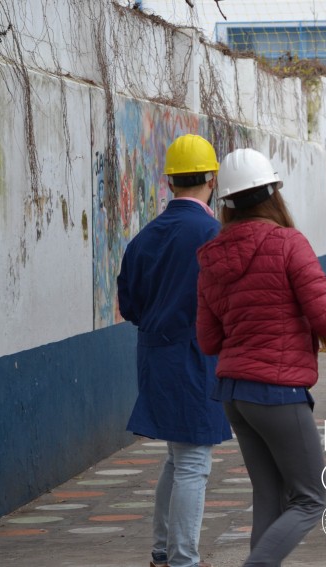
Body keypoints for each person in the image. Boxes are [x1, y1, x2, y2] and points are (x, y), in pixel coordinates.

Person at [195, 148, 326, 567]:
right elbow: (325, 311)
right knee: (311, 499)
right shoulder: (287, 243)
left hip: (234, 394)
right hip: (277, 392)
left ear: (226, 202)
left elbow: (209, 340)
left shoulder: (212, 257)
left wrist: (317, 335)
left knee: (271, 496)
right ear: (275, 193)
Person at [117, 133, 232, 567]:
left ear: (169, 182)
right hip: (194, 358)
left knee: (176, 457)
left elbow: (129, 304)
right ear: (211, 178)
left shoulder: (145, 237)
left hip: (154, 355)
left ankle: (163, 552)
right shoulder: (212, 234)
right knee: (193, 463)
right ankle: (184, 559)